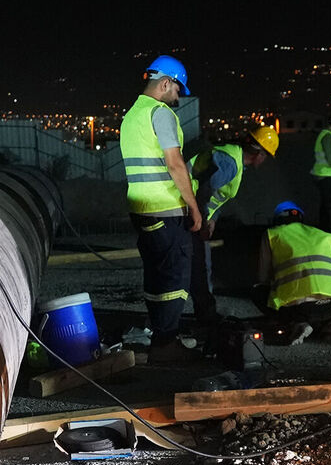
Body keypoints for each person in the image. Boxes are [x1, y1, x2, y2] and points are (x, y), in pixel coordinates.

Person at [119, 54, 205, 364]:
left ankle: (161, 336)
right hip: (166, 210)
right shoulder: (161, 113)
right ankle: (166, 344)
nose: (179, 95)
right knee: (174, 277)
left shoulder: (131, 116)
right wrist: (194, 207)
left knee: (156, 276)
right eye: (178, 88)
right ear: (165, 83)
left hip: (141, 209)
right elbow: (175, 164)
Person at [188, 126, 279, 329]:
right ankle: (205, 316)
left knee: (197, 264)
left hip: (193, 214)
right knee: (201, 265)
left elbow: (216, 194)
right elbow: (204, 190)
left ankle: (202, 312)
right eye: (266, 156)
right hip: (189, 214)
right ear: (259, 154)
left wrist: (213, 218)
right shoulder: (229, 163)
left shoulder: (233, 159)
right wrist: (201, 220)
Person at [256, 201, 331, 344]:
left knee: (258, 291)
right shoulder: (324, 236)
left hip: (297, 308)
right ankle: (328, 324)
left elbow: (263, 278)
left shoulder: (272, 234)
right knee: (321, 311)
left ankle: (294, 323)